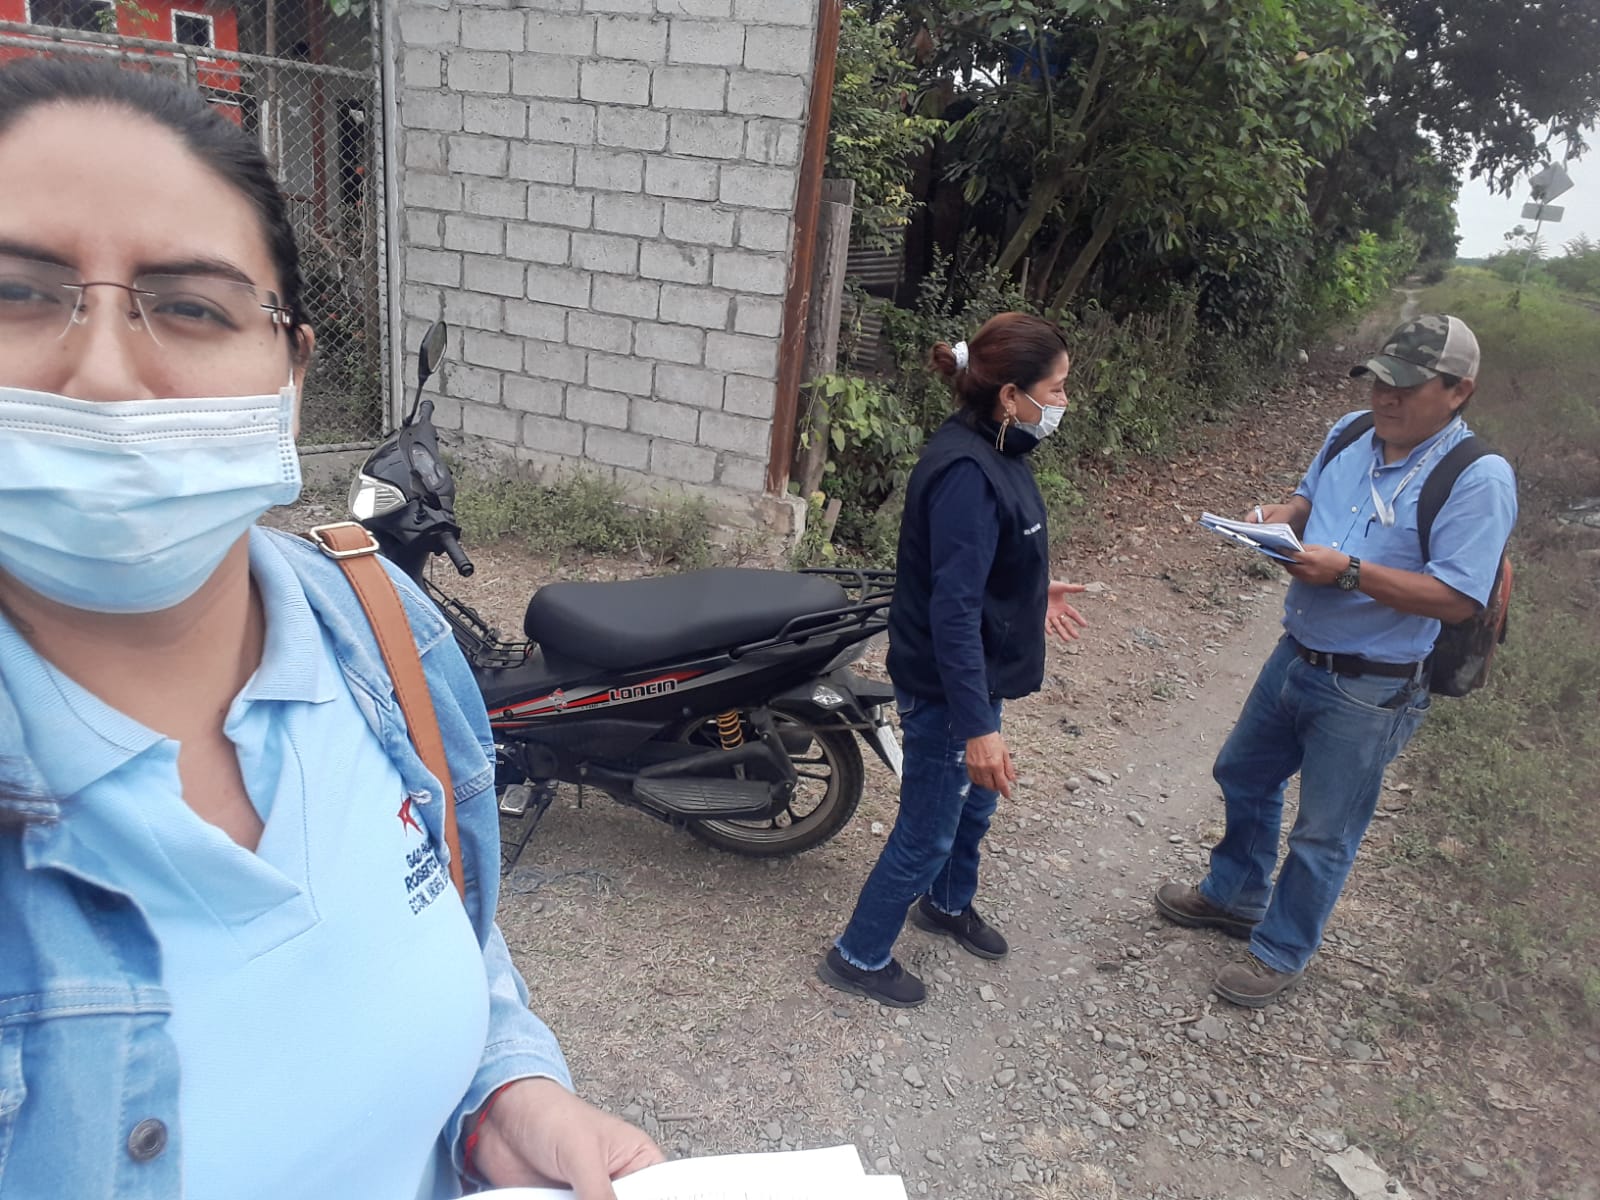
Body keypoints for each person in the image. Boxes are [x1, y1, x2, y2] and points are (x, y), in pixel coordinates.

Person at [0, 58, 660, 1198]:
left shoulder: (378, 627)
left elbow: (450, 929)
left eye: (191, 306)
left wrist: (501, 1093)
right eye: (17, 292)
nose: (103, 373)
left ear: (290, 374)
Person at [1155, 315, 1518, 1007]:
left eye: (1406, 387)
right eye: (1379, 381)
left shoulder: (1478, 478)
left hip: (1371, 688)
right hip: (1295, 654)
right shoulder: (1351, 432)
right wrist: (1275, 520)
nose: (1386, 397)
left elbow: (1457, 598)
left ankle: (1280, 950)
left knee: (1323, 832)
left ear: (1459, 391)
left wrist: (1349, 572)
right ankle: (1235, 895)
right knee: (1242, 772)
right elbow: (1306, 501)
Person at [818, 313, 1090, 1008]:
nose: (1064, 401)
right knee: (929, 828)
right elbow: (953, 608)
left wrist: (1033, 590)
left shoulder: (1000, 445)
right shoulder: (966, 471)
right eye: (1056, 388)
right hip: (947, 685)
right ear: (1011, 395)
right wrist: (977, 727)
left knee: (973, 806)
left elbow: (984, 560)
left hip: (975, 676)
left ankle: (945, 904)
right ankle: (858, 954)